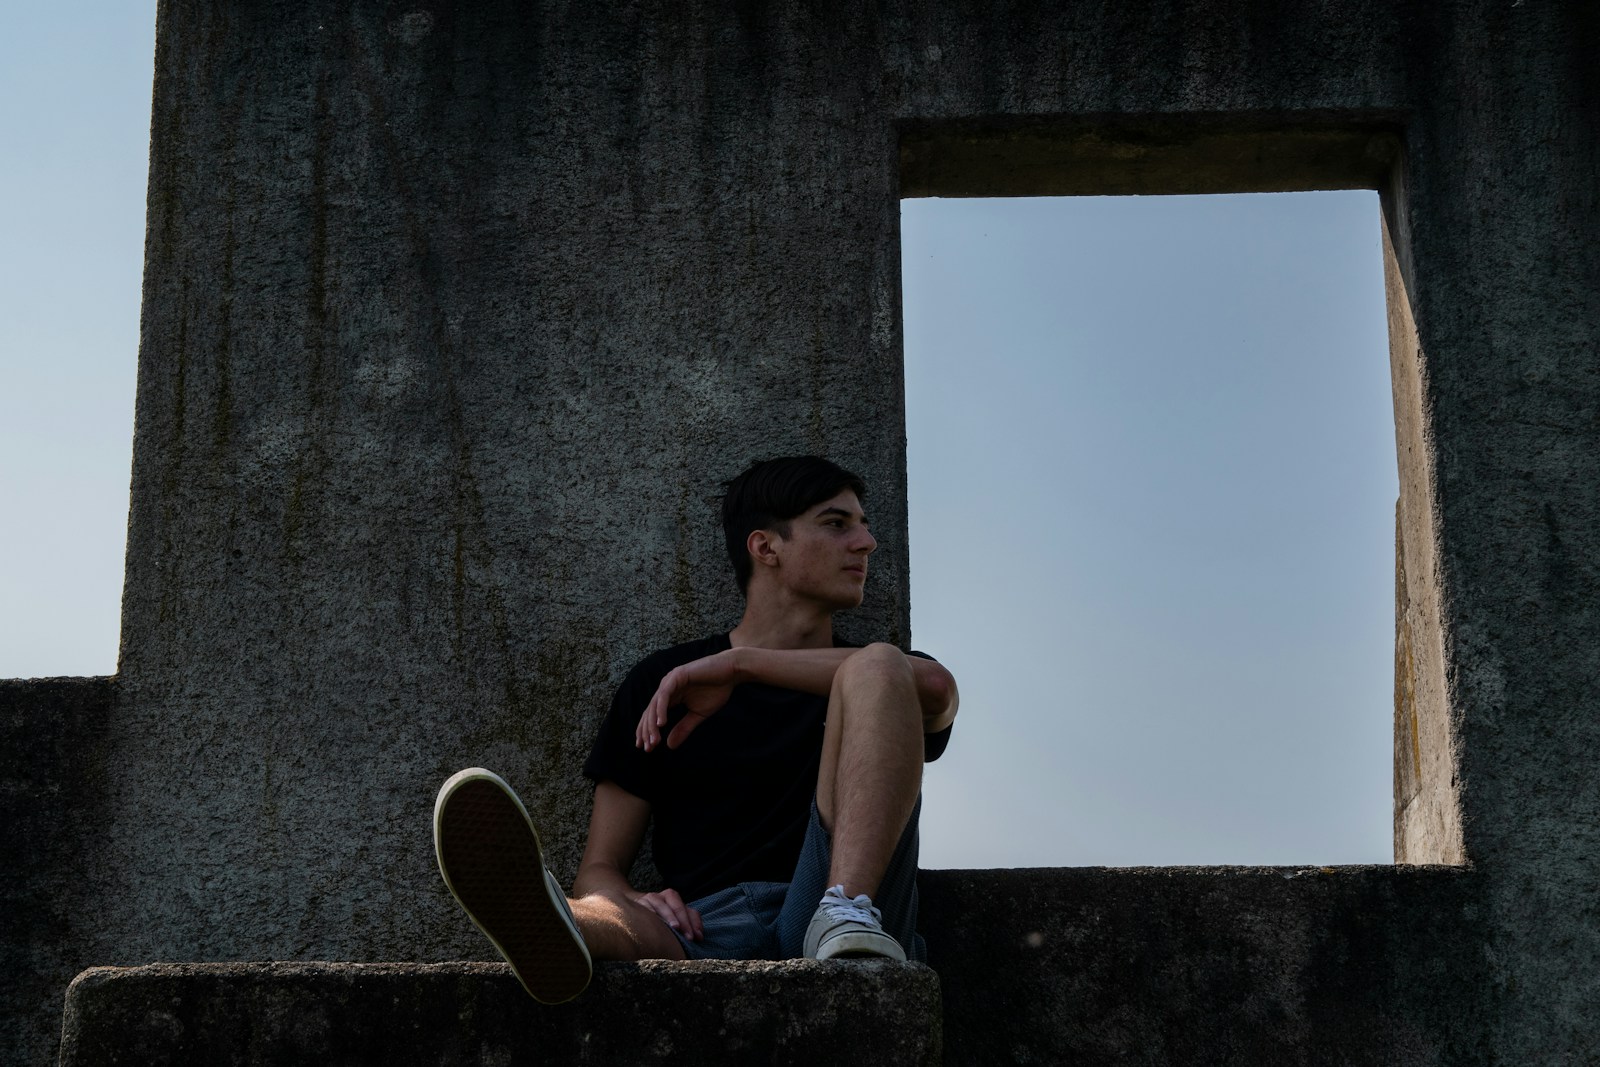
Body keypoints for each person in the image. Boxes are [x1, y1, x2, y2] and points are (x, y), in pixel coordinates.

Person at [433, 455, 959, 1003]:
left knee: (877, 664)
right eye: (836, 523)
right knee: (614, 912)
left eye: (864, 525)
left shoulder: (877, 677)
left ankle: (843, 910)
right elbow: (600, 866)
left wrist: (741, 665)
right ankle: (558, 920)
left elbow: (934, 688)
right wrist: (631, 898)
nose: (866, 543)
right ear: (766, 547)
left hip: (850, 905)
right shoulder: (666, 683)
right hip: (707, 924)